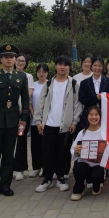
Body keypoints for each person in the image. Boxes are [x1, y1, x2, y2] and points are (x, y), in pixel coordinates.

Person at [0, 44, 30, 201]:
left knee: (9, 154)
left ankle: (6, 185)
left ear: (15, 59)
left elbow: (25, 99)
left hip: (13, 120)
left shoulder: (21, 76)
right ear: (1, 59)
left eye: (12, 57)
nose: (9, 59)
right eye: (6, 57)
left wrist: (24, 119)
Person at [33, 55, 83, 193]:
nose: (62, 67)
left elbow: (77, 105)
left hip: (65, 125)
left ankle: (61, 178)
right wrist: (38, 121)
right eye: (60, 64)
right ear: (55, 66)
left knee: (64, 153)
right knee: (47, 152)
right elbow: (41, 103)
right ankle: (47, 178)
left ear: (69, 67)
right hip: (48, 124)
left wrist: (74, 121)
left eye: (65, 64)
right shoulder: (49, 84)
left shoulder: (74, 84)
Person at [70, 106, 109, 201]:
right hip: (84, 163)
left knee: (97, 179)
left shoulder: (104, 133)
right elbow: (73, 149)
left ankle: (97, 185)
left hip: (98, 164)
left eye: (96, 115)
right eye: (91, 115)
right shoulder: (82, 133)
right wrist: (76, 149)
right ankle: (79, 189)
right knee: (78, 168)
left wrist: (105, 149)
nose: (93, 117)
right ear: (87, 117)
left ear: (100, 117)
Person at [13, 53, 35, 181]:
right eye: (18, 60)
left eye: (22, 61)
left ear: (26, 63)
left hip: (22, 114)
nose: (20, 62)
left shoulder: (28, 76)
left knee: (21, 139)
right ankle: (8, 168)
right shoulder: (8, 75)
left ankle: (20, 169)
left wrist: (22, 107)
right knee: (9, 141)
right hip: (9, 114)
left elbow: (28, 93)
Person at [79, 57, 109, 130]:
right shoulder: (84, 83)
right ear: (91, 66)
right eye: (95, 65)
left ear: (103, 67)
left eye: (100, 66)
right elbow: (83, 99)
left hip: (104, 115)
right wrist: (96, 98)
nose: (97, 68)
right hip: (89, 115)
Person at [28, 63, 49, 178]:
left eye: (44, 71)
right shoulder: (33, 86)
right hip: (34, 121)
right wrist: (35, 116)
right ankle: (36, 167)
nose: (41, 74)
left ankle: (45, 167)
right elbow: (30, 102)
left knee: (45, 145)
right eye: (39, 71)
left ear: (47, 73)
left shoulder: (50, 85)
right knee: (35, 145)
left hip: (47, 121)